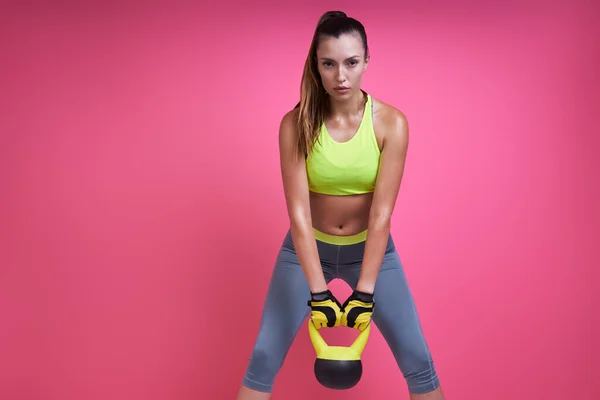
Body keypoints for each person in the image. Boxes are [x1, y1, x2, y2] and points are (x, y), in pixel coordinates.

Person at [236, 10, 445, 400]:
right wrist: (318, 292)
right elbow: (298, 215)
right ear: (316, 66)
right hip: (304, 252)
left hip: (371, 253)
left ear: (367, 60)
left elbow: (381, 215)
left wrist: (365, 294)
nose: (341, 76)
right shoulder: (295, 124)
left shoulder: (390, 124)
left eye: (351, 62)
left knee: (418, 361)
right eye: (328, 64)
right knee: (263, 358)